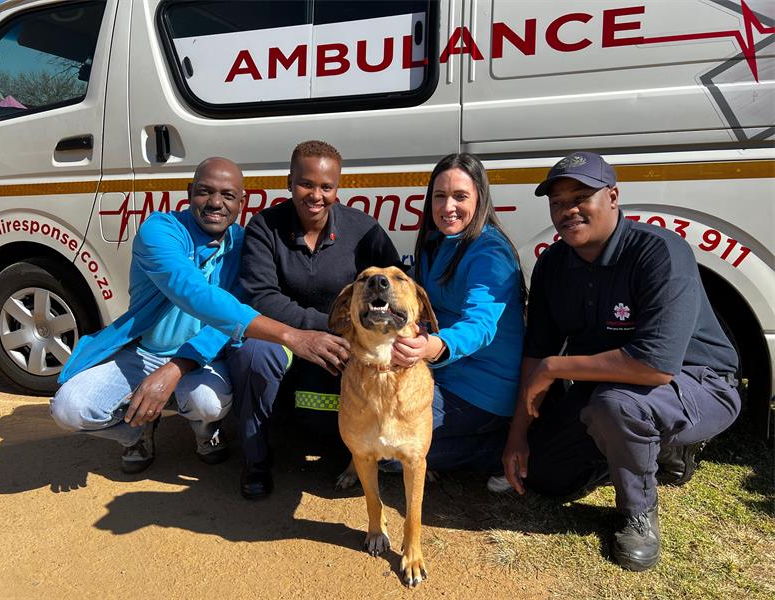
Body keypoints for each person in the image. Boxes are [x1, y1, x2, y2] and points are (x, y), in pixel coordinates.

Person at [502, 151, 741, 571]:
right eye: (557, 202)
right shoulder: (553, 264)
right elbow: (536, 351)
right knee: (545, 476)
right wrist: (517, 437)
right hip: (609, 386)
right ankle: (647, 449)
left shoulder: (660, 251)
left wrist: (556, 369)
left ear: (612, 196)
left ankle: (638, 513)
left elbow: (655, 366)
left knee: (617, 405)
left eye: (581, 197)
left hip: (698, 382)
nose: (567, 210)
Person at [51, 157, 348, 474]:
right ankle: (135, 433)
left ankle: (207, 434)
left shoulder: (244, 245)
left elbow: (228, 319)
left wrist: (174, 369)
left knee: (208, 403)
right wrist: (292, 336)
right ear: (190, 192)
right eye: (205, 192)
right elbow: (192, 292)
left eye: (227, 195)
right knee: (69, 409)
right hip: (143, 351)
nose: (216, 203)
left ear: (241, 202)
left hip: (201, 357)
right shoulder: (161, 230)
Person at [228, 140, 401, 500]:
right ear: (289, 182)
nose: (316, 195)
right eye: (306, 184)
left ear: (338, 188)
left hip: (344, 342)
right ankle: (256, 460)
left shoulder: (363, 230)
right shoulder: (265, 227)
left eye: (326, 187)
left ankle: (360, 449)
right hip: (284, 336)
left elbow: (393, 287)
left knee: (329, 411)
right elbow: (261, 296)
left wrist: (354, 335)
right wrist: (319, 329)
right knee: (253, 355)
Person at [390, 153, 525, 482]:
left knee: (391, 454)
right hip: (442, 374)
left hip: (482, 388)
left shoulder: (490, 252)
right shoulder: (436, 242)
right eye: (440, 196)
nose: (448, 206)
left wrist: (430, 346)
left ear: (480, 198)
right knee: (373, 427)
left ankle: (497, 451)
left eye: (460, 196)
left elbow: (480, 325)